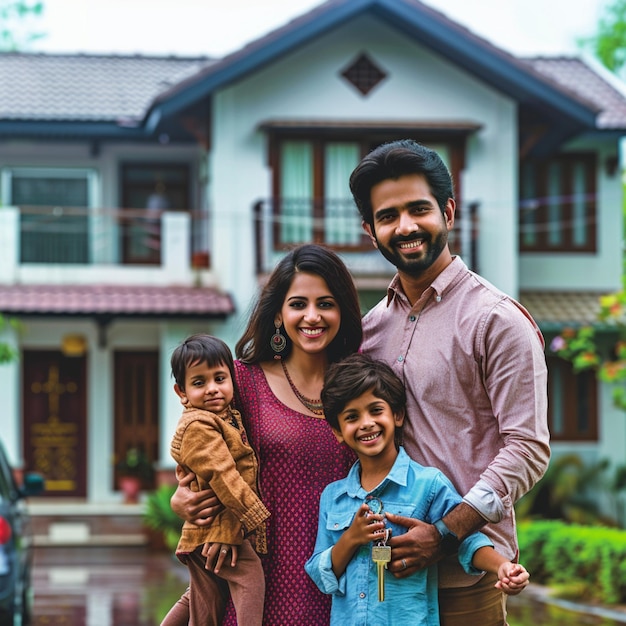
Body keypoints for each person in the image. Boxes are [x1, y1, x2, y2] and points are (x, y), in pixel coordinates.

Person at [349, 139, 549, 624]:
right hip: (381, 579)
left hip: (464, 578)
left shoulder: (496, 320)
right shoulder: (369, 330)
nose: (406, 227)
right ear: (370, 231)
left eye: (420, 209)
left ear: (449, 212)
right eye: (388, 216)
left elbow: (527, 447)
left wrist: (445, 533)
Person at [164, 244, 363, 625]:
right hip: (259, 578)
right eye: (298, 304)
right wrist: (183, 498)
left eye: (326, 303)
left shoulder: (361, 386)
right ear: (278, 314)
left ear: (343, 311)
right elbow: (199, 453)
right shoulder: (240, 382)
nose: (312, 316)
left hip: (342, 578)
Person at [305, 354, 530, 625]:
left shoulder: (428, 484)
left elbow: (466, 541)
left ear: (397, 415)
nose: (366, 423)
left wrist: (503, 566)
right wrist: (351, 539)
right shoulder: (333, 496)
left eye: (376, 410)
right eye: (352, 417)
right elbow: (320, 574)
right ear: (338, 431)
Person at [167, 334, 270, 625]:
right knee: (250, 576)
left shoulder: (224, 417)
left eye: (220, 379)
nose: (212, 389)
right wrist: (254, 514)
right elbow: (223, 475)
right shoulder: (199, 426)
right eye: (199, 383)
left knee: (203, 603)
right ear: (182, 391)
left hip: (203, 533)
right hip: (219, 527)